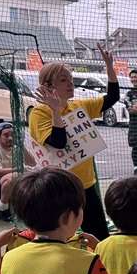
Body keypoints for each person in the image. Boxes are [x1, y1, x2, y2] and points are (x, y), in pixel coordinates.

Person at [28, 44, 120, 240]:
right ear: (47, 86)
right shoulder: (39, 113)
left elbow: (112, 97)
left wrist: (109, 67)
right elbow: (58, 142)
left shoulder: (78, 106)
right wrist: (55, 110)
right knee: (58, 236)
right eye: (63, 80)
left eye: (71, 79)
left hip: (86, 184)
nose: (70, 84)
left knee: (99, 235)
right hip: (58, 188)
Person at [0, 122, 36, 222]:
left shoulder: (16, 147)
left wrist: (22, 147)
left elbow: (32, 163)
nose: (10, 138)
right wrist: (19, 169)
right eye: (6, 135)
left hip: (13, 179)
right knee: (12, 178)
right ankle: (3, 207)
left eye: (13, 135)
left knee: (32, 177)